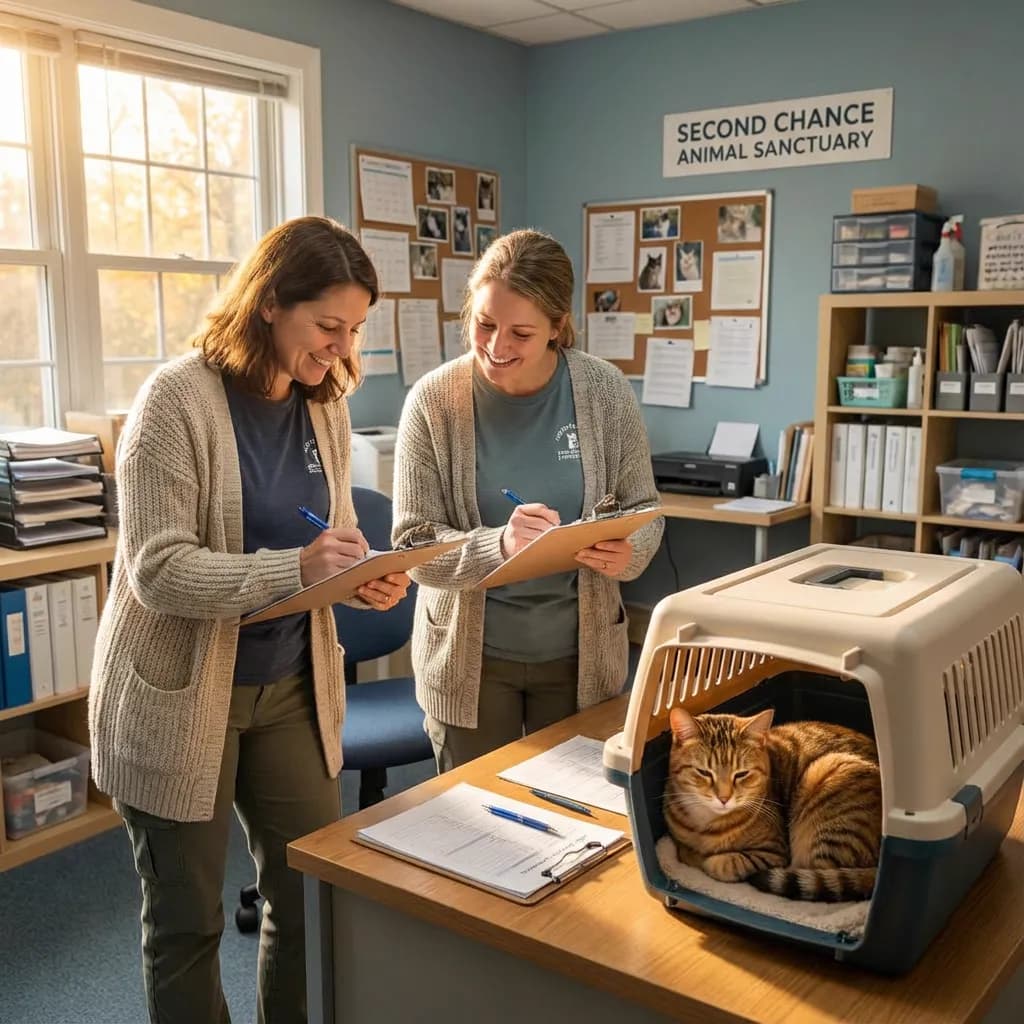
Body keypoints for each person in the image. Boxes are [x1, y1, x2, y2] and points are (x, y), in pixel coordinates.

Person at [88, 216, 410, 1024]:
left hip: (292, 684)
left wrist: (357, 576)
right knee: (187, 923)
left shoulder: (324, 403)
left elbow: (326, 535)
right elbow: (158, 570)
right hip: (181, 693)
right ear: (269, 303)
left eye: (354, 328)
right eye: (327, 326)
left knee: (307, 901)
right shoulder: (175, 400)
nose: (341, 348)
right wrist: (296, 570)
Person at [392, 228, 663, 771]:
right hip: (470, 664)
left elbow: (644, 508)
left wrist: (628, 550)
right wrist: (500, 545)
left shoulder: (604, 392)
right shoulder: (433, 401)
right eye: (484, 324)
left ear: (557, 330)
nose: (496, 347)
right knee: (471, 827)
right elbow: (413, 544)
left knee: (573, 828)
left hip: (578, 661)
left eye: (520, 333)